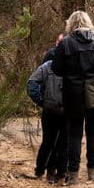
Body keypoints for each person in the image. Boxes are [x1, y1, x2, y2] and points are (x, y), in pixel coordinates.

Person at [51, 10, 94, 182]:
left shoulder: (66, 43)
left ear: (71, 23)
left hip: (73, 95)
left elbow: (56, 69)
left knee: (75, 134)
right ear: (88, 22)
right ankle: (92, 172)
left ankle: (73, 175)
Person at [25, 45, 60, 179]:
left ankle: (40, 170)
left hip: (49, 108)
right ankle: (53, 172)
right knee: (61, 142)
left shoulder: (47, 66)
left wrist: (40, 101)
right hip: (67, 109)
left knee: (48, 141)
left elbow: (31, 83)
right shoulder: (74, 65)